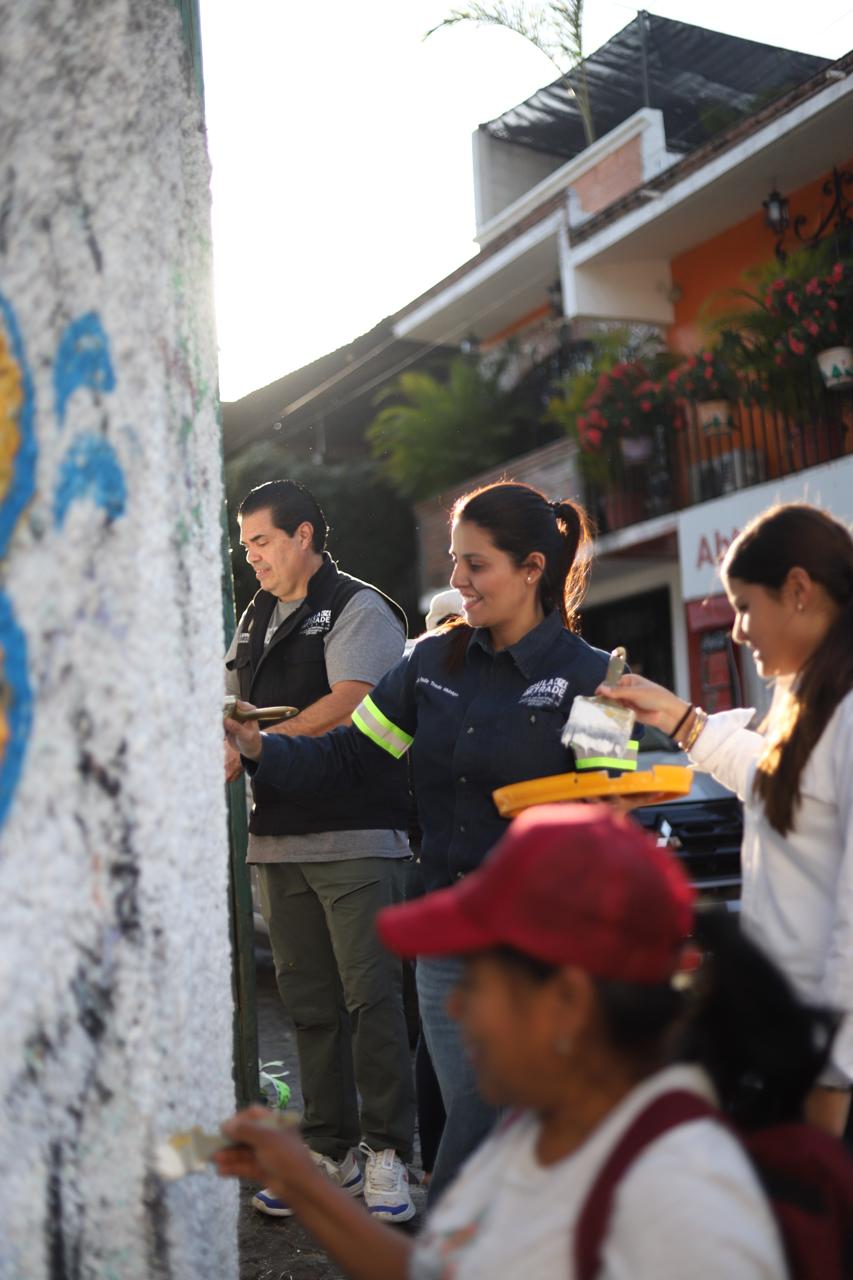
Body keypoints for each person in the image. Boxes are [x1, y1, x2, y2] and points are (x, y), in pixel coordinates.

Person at [225, 480, 638, 1198]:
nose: (455, 581)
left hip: (538, 956)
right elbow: (352, 755)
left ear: (532, 568)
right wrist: (260, 749)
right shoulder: (427, 663)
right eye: (453, 561)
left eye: (474, 564)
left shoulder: (597, 679)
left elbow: (607, 820)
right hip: (446, 949)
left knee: (507, 1139)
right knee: (464, 1131)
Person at [215, 804, 828, 1279]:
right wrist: (303, 1183)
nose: (453, 1005)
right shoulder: (538, 1126)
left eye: (476, 978)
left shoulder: (678, 1201)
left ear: (566, 1001)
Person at [598, 501, 853, 1137]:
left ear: (798, 590)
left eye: (744, 606)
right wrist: (680, 720)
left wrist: (832, 1076)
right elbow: (770, 775)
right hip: (797, 1045)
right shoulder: (809, 697)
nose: (736, 630)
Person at [225, 479, 416, 1221]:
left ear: (304, 535)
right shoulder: (253, 617)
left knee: (373, 1002)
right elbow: (229, 698)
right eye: (244, 547)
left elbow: (354, 703)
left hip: (357, 835)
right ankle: (327, 1149)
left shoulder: (360, 606)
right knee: (307, 1006)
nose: (252, 559)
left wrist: (257, 744)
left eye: (262, 542)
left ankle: (387, 1154)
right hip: (275, 839)